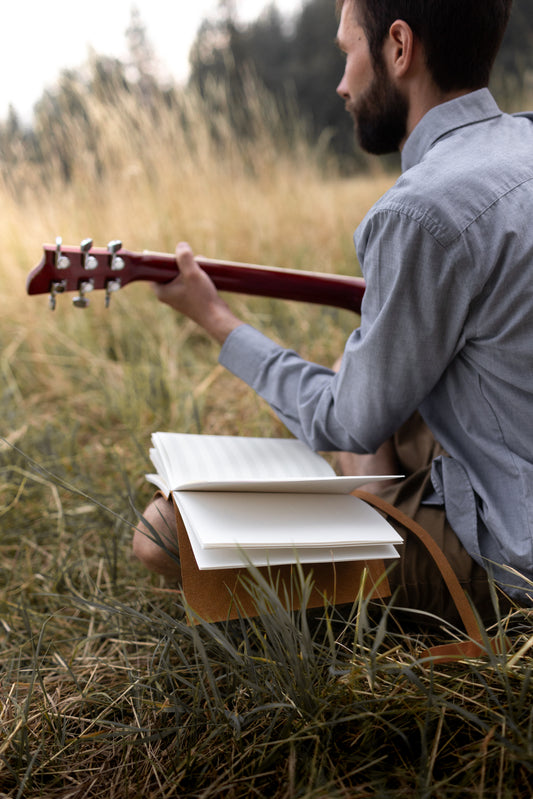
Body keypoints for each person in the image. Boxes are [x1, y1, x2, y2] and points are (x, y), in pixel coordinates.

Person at [133, 0, 533, 624]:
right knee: (389, 414)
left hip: (511, 558)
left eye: (348, 53)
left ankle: (362, 618)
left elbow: (343, 421)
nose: (342, 83)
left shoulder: (420, 212)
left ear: (399, 48)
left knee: (162, 531)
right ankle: (378, 500)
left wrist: (215, 318)